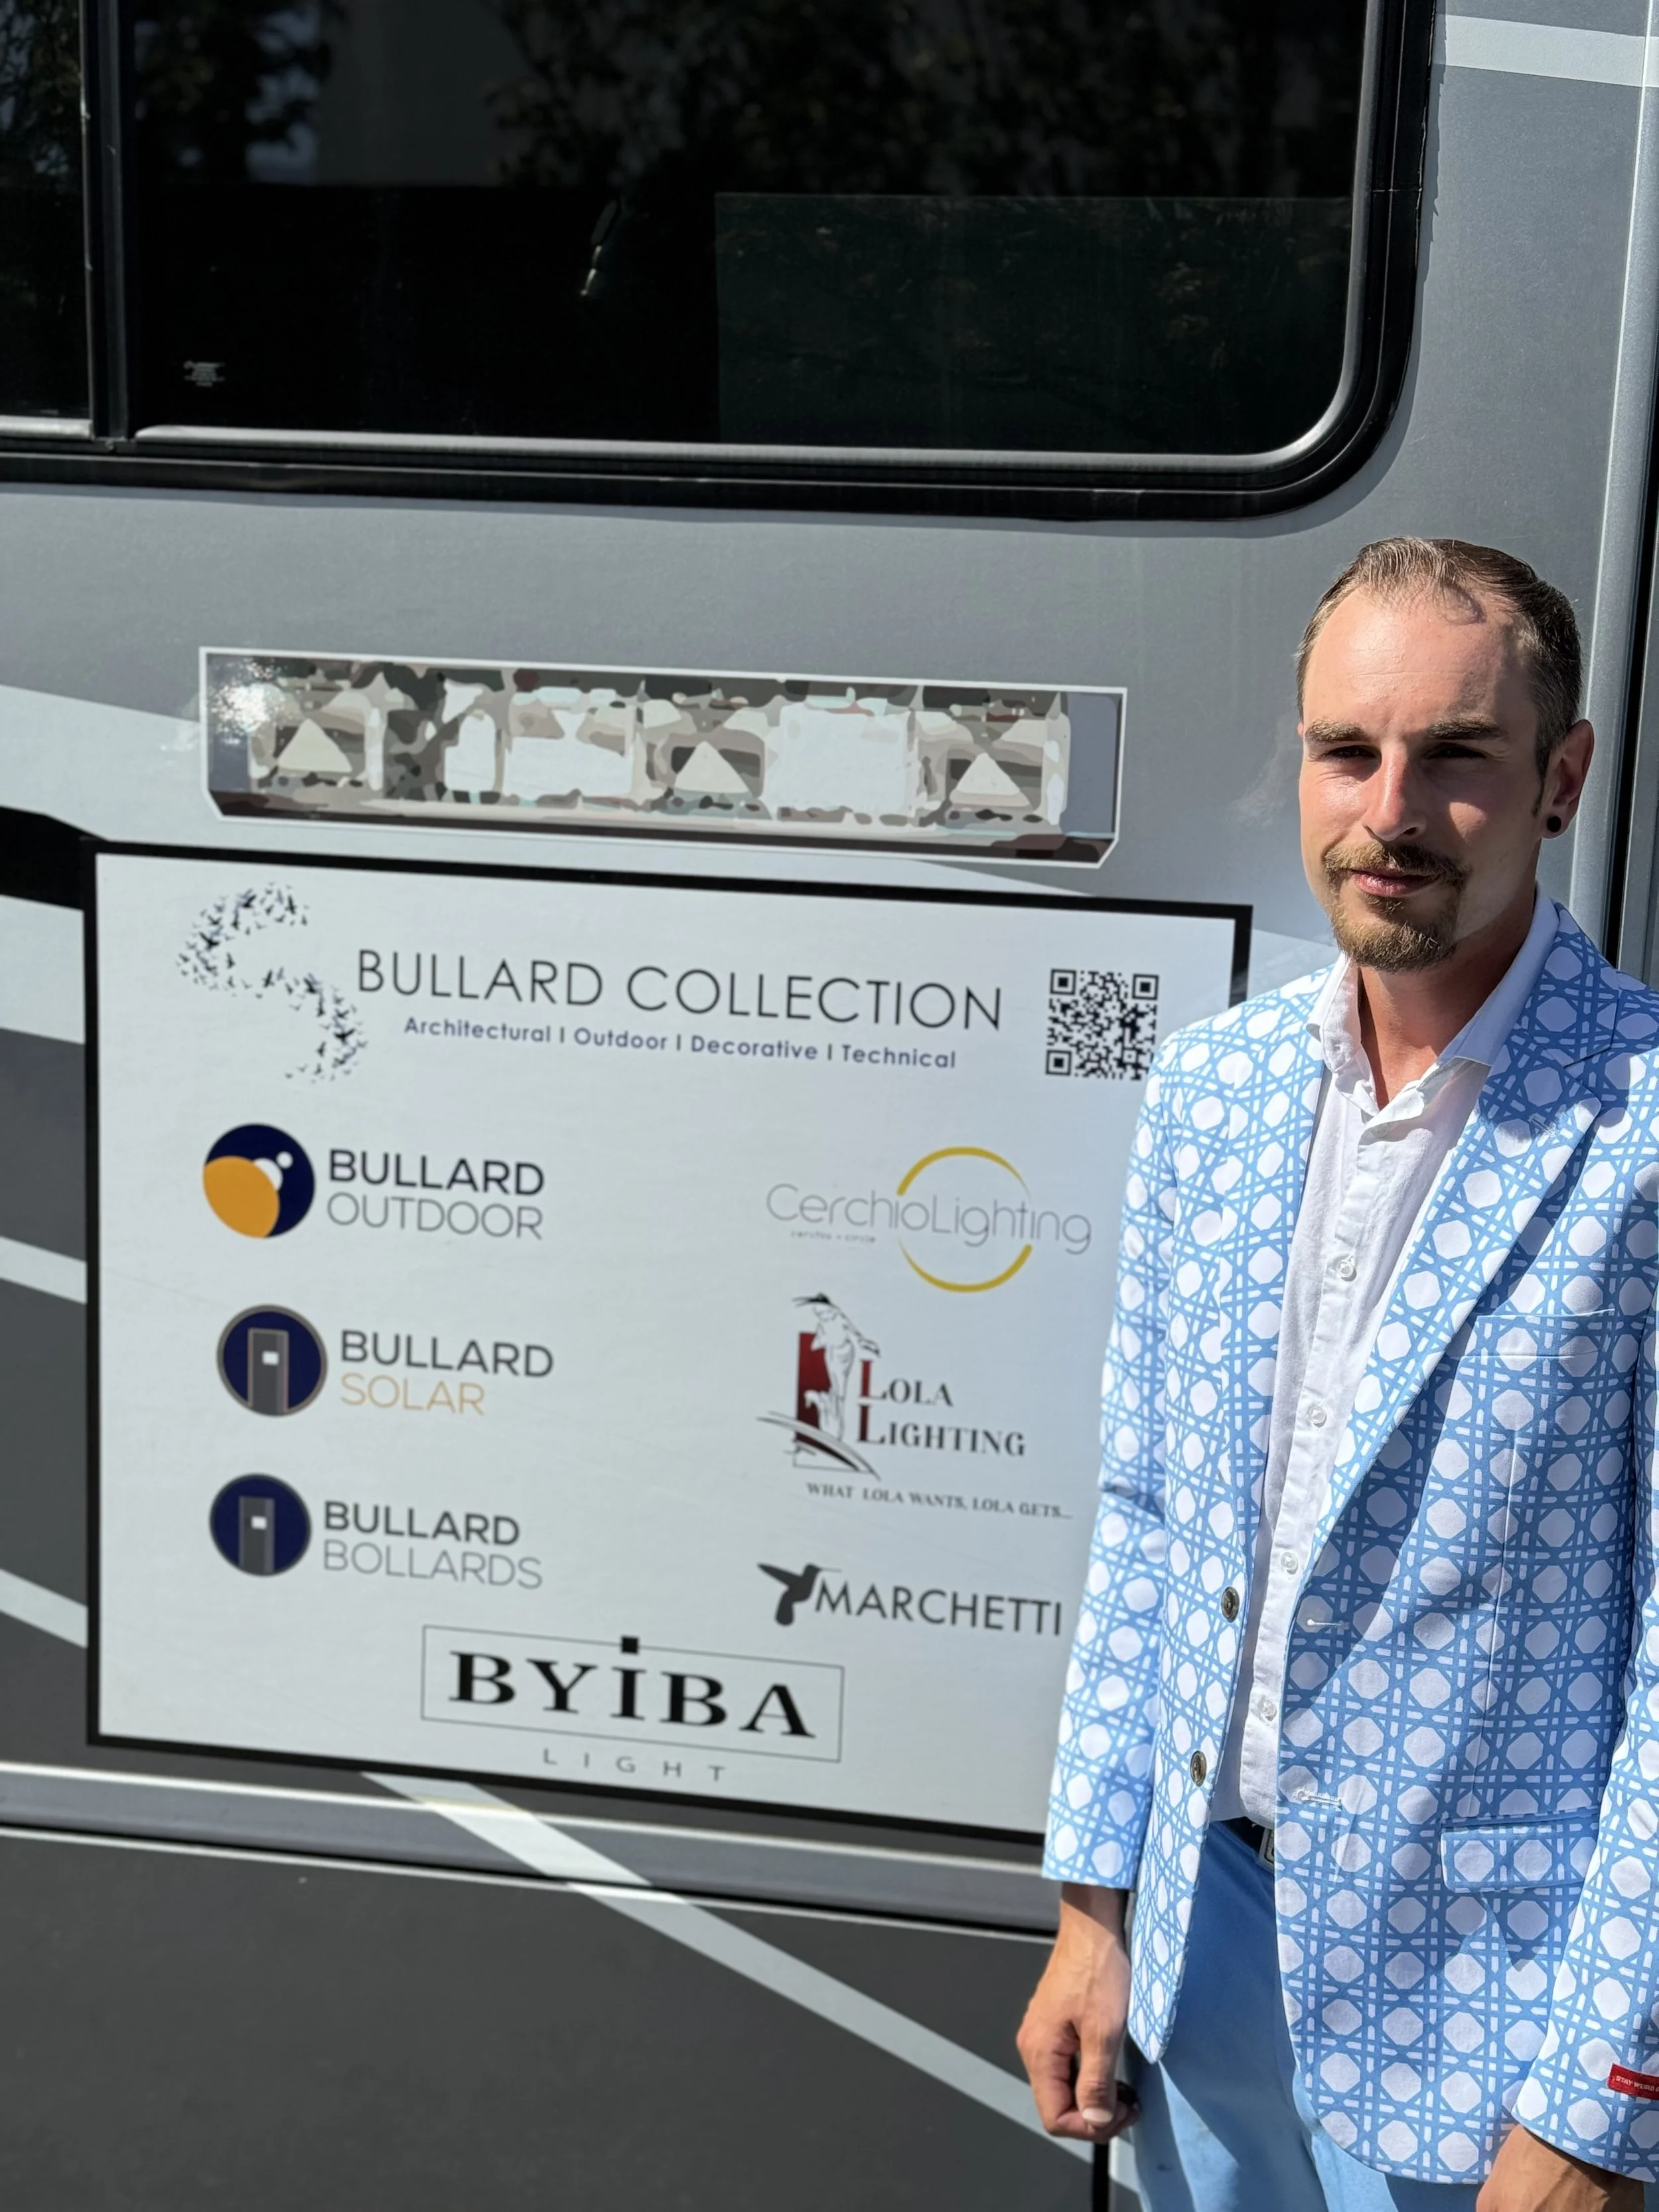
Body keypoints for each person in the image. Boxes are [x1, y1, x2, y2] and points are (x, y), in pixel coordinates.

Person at [1017, 538, 1659, 2211]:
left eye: (1455, 755)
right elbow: (1148, 1517)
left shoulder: (1643, 1125)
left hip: (1494, 2021)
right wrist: (1095, 1906)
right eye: (1345, 751)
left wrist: (1604, 2098)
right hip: (1199, 1951)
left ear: (1561, 777)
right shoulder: (1210, 1092)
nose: (1390, 810)